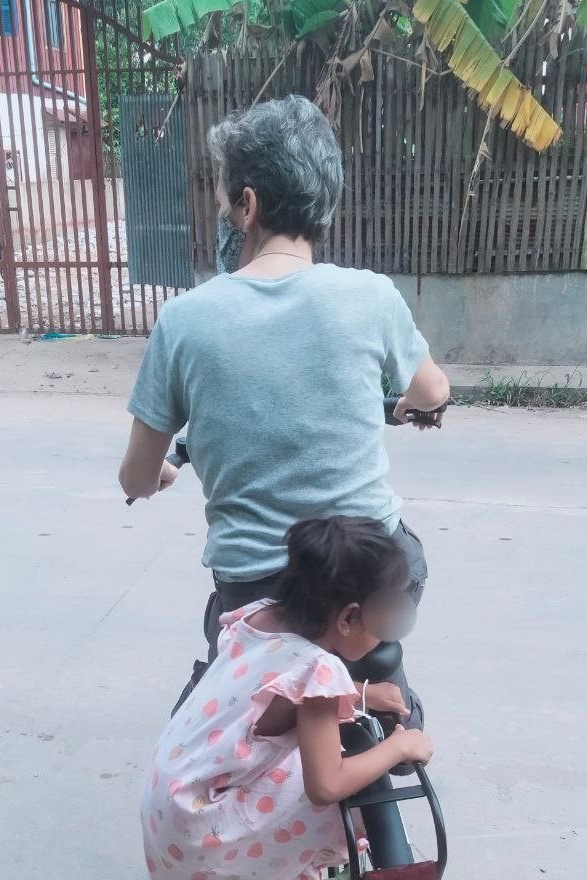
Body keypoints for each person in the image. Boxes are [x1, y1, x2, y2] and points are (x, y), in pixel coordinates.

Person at [118, 94, 450, 732]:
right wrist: (417, 403)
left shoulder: (185, 321)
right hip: (372, 579)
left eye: (224, 201)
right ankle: (391, 705)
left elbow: (136, 477)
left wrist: (156, 474)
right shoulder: (371, 297)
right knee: (395, 582)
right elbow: (433, 392)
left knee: (207, 734)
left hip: (255, 592)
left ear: (247, 205)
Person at [137, 517, 434, 880]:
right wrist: (400, 745)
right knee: (346, 794)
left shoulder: (259, 617)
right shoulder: (319, 673)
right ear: (348, 617)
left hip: (175, 797)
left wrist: (357, 695)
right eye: (384, 618)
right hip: (208, 825)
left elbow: (272, 702)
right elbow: (327, 785)